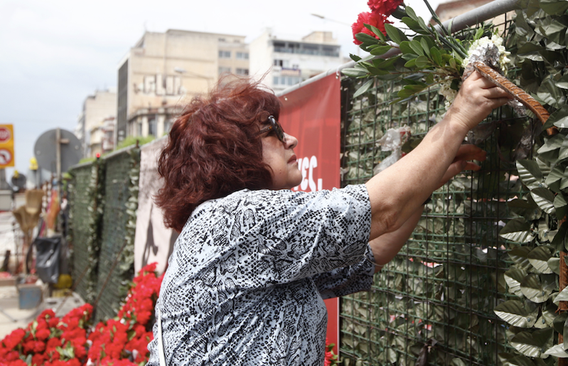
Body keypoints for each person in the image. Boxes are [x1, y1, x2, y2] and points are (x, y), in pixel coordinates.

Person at [146, 71, 510, 365]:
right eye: (271, 129)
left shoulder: (233, 234)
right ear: (231, 153)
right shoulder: (233, 221)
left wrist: (430, 177)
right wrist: (459, 114)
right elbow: (382, 209)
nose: (290, 139)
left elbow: (372, 253)